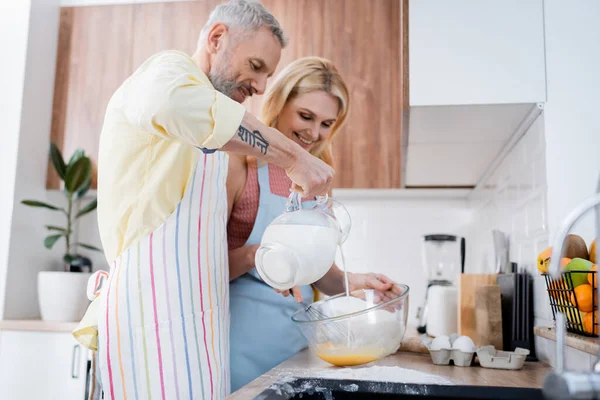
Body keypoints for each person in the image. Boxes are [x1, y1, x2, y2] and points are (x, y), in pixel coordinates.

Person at [76, 1, 335, 399]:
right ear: (217, 38)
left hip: (201, 325)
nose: (261, 86)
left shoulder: (212, 136)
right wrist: (294, 157)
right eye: (256, 66)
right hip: (152, 319)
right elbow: (185, 107)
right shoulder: (165, 74)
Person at [226, 57, 396, 391]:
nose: (313, 133)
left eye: (326, 123)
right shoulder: (238, 165)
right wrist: (256, 256)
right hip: (238, 341)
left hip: (295, 344)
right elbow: (203, 270)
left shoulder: (316, 179)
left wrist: (358, 282)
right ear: (279, 104)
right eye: (305, 116)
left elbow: (319, 274)